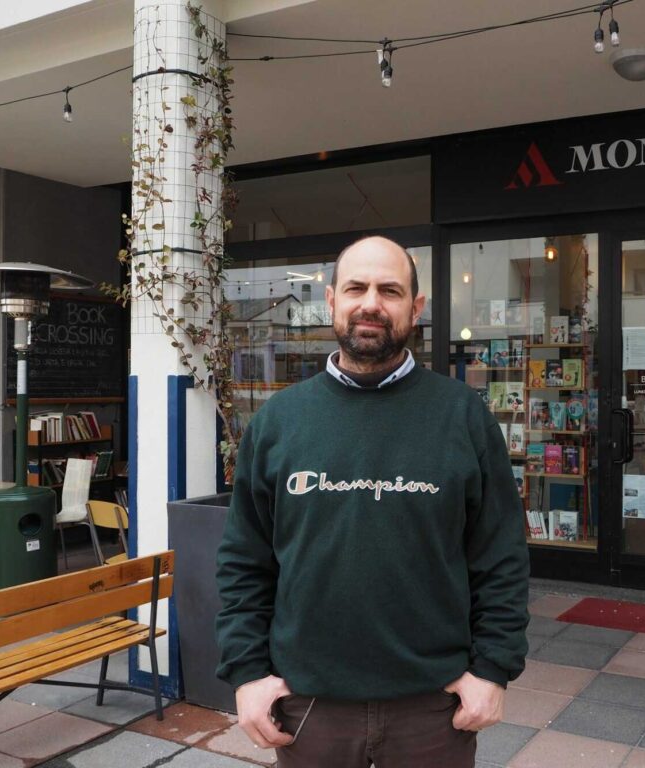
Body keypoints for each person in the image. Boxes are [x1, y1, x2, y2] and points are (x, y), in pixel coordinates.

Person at [215, 235, 530, 768]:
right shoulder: (278, 422)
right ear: (333, 299)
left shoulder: (463, 416)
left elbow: (500, 556)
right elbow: (245, 562)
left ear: (417, 307)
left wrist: (493, 669)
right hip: (308, 708)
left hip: (434, 709)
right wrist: (246, 674)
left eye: (390, 290)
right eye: (356, 287)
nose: (371, 303)